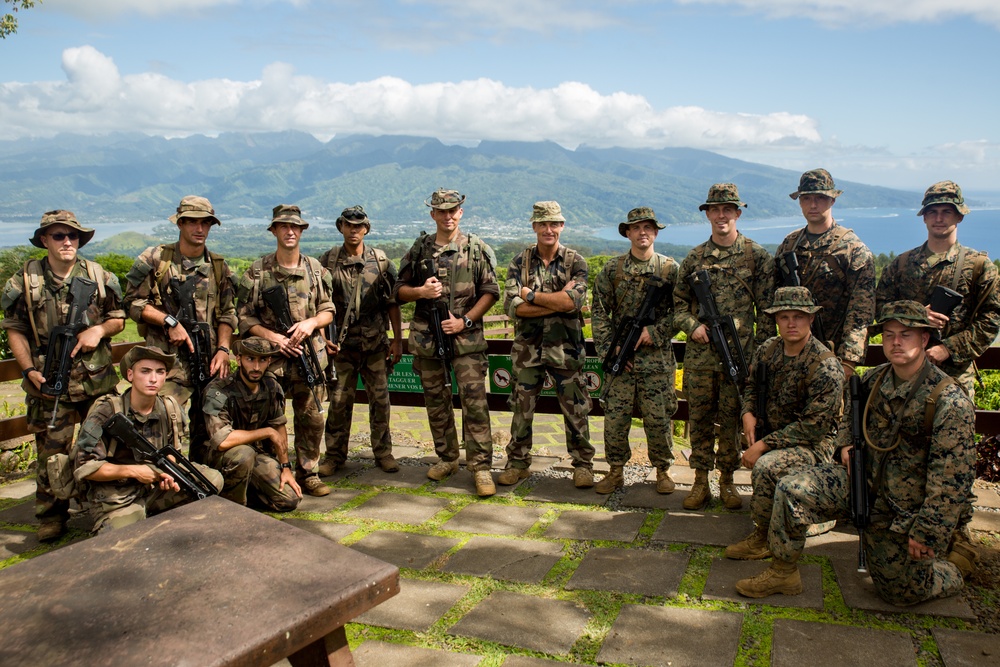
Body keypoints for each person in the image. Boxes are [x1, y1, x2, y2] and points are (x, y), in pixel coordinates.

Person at [734, 301, 977, 604]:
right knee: (792, 488)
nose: (896, 342)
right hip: (861, 481)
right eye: (889, 335)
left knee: (898, 593)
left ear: (925, 339)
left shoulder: (948, 400)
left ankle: (955, 566)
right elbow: (850, 417)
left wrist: (928, 532)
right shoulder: (874, 379)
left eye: (906, 335)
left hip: (905, 506)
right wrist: (846, 444)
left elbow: (952, 482)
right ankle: (783, 572)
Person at [0, 210, 125, 542]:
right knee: (51, 452)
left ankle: (105, 504)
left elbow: (119, 317)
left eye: (73, 236)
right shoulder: (25, 281)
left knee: (104, 445)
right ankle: (52, 514)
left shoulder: (99, 276)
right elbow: (15, 329)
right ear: (45, 240)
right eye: (59, 236)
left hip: (95, 379)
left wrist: (97, 330)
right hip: (50, 381)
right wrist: (28, 369)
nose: (68, 242)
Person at [674, 184, 774, 509]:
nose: (721, 215)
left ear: (737, 213)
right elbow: (678, 306)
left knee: (731, 421)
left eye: (727, 209)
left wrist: (759, 356)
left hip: (738, 358)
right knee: (700, 419)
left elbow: (768, 312)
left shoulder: (756, 257)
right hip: (701, 359)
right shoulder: (694, 259)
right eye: (715, 210)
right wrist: (693, 327)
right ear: (707, 214)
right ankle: (700, 482)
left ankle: (727, 482)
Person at [394, 188, 500, 497]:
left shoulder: (476, 249)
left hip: (466, 341)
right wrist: (420, 293)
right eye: (442, 211)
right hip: (428, 340)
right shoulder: (419, 249)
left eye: (453, 210)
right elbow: (399, 289)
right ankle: (447, 458)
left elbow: (490, 291)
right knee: (436, 402)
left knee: (475, 404)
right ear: (433, 215)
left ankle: (480, 467)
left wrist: (465, 321)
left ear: (461, 212)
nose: (448, 215)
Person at [724, 287, 843, 560]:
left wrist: (764, 445)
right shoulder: (768, 349)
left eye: (799, 316)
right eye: (784, 316)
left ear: (811, 319)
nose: (792, 323)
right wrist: (748, 413)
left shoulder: (825, 366)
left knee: (766, 466)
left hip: (813, 446)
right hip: (776, 436)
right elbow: (751, 386)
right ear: (776, 320)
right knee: (768, 462)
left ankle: (765, 537)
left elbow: (814, 427)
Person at [123, 195, 237, 463]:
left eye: (206, 223)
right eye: (193, 222)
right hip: (166, 363)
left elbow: (227, 313)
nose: (200, 229)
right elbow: (131, 302)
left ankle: (202, 482)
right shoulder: (156, 259)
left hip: (207, 361)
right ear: (180, 224)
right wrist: (168, 321)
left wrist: (223, 349)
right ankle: (158, 480)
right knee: (160, 424)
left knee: (207, 428)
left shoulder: (219, 267)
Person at [236, 204, 334, 497]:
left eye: (295, 227)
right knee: (269, 419)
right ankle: (273, 472)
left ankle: (309, 473)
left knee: (312, 418)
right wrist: (274, 338)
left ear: (302, 231)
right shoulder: (257, 272)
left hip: (309, 358)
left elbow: (328, 309)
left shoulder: (314, 269)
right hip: (271, 362)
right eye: (283, 227)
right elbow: (244, 317)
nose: (290, 232)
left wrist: (310, 324)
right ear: (274, 231)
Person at [73, 346, 224, 534]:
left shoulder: (169, 408)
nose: (153, 379)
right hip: (119, 495)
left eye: (160, 372)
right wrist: (137, 471)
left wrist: (167, 474)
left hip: (153, 488)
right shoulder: (107, 410)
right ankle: (132, 519)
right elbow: (84, 467)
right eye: (145, 371)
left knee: (211, 481)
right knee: (119, 539)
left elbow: (173, 453)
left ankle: (149, 516)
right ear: (130, 375)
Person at [499, 201, 594, 488]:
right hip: (528, 350)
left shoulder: (575, 262)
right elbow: (511, 307)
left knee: (575, 408)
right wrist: (558, 303)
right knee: (521, 408)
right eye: (543, 224)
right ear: (534, 226)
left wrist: (531, 296)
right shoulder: (519, 262)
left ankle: (583, 465)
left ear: (562, 226)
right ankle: (517, 462)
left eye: (554, 224)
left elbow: (574, 301)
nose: (548, 229)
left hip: (566, 350)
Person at [876, 180, 1000, 398]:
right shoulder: (902, 265)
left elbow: (992, 318)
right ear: (924, 217)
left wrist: (949, 348)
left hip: (954, 376)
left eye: (946, 212)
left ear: (959, 216)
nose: (939, 218)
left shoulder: (979, 267)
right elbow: (879, 309)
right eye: (932, 212)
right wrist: (916, 315)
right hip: (904, 374)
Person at [592, 207, 680, 494]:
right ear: (627, 233)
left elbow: (683, 311)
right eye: (636, 227)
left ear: (655, 232)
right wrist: (612, 348)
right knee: (615, 420)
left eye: (648, 227)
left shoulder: (669, 269)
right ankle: (615, 471)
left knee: (658, 420)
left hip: (656, 362)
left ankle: (663, 471)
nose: (643, 232)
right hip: (621, 361)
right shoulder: (612, 270)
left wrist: (654, 332)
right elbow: (599, 312)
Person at [316, 206, 403, 476]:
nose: (354, 230)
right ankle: (334, 456)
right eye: (349, 225)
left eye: (359, 226)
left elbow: (393, 303)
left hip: (375, 344)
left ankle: (383, 453)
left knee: (381, 401)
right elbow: (318, 304)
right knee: (340, 402)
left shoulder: (381, 262)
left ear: (366, 228)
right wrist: (322, 340)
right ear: (341, 227)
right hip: (341, 348)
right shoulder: (327, 262)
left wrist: (397, 339)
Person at [774, 169, 875, 380]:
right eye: (807, 198)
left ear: (832, 201)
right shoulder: (789, 245)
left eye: (820, 198)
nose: (813, 205)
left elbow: (861, 311)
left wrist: (848, 361)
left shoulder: (852, 249)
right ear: (800, 201)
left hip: (834, 354)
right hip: (791, 353)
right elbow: (772, 298)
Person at [202, 337, 301, 512]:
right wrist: (267, 432)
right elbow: (222, 441)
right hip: (218, 459)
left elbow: (279, 428)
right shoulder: (218, 391)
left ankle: (244, 491)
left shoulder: (271, 387)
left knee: (289, 500)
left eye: (262, 360)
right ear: (239, 359)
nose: (256, 367)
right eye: (250, 359)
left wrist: (286, 467)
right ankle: (234, 509)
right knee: (244, 453)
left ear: (269, 361)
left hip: (255, 456)